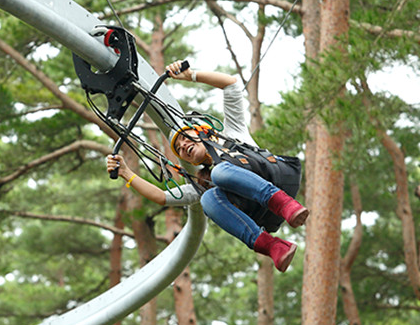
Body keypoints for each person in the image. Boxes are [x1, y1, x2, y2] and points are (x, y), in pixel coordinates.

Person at [106, 61, 308, 272]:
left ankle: (284, 204)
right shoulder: (205, 180)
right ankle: (272, 246)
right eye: (180, 149)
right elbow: (161, 196)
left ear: (203, 132)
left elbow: (230, 84)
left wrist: (190, 75)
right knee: (207, 198)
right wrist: (125, 172)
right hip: (262, 212)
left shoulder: (233, 134)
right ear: (190, 162)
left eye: (185, 138)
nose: (183, 145)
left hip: (275, 177)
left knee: (220, 172)